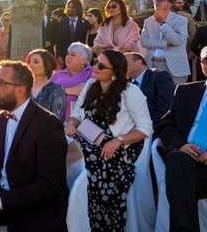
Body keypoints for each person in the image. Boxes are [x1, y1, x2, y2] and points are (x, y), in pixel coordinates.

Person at [66, 50, 153, 232]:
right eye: (97, 62)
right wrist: (72, 124)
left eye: (101, 66)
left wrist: (118, 141)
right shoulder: (91, 85)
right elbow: (76, 115)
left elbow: (146, 128)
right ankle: (69, 211)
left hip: (114, 149)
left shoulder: (131, 92)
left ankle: (99, 222)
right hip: (86, 138)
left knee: (82, 159)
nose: (95, 67)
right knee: (59, 147)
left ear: (115, 72)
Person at [0, 60, 68, 231]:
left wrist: (0, 200)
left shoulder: (48, 124)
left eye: (0, 83)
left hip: (36, 212)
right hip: (3, 204)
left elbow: (49, 185)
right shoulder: (0, 120)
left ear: (20, 90)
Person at [157, 46, 207, 232]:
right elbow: (165, 125)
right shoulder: (186, 92)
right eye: (205, 60)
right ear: (201, 64)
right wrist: (181, 145)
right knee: (177, 161)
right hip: (188, 163)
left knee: (180, 183)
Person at [141, 0, 190, 85]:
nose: (156, 2)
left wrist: (163, 24)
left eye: (160, 0)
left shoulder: (181, 20)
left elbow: (178, 41)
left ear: (169, 4)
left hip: (176, 67)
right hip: (153, 66)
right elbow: (144, 42)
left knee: (178, 96)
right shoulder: (148, 21)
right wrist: (164, 43)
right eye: (155, 1)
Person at [125, 52, 174, 132]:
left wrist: (145, 129)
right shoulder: (125, 84)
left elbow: (165, 109)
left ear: (139, 62)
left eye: (124, 61)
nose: (121, 65)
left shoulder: (159, 76)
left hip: (152, 130)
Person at [51, 42, 94, 119]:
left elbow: (87, 90)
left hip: (82, 118)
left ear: (83, 60)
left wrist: (62, 91)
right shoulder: (57, 75)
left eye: (73, 55)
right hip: (57, 117)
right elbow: (49, 92)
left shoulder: (92, 72)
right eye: (68, 54)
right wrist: (71, 90)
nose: (68, 57)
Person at [26, 48, 67, 122]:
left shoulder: (56, 89)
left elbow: (58, 119)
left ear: (47, 66)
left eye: (35, 62)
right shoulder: (22, 88)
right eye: (29, 62)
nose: (30, 65)